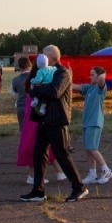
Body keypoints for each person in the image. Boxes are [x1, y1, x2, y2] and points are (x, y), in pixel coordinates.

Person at [21, 45, 87, 203]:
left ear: (52, 58)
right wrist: (36, 76)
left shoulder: (62, 72)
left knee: (61, 154)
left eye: (44, 54)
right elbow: (28, 87)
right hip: (43, 119)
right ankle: (38, 191)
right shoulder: (42, 71)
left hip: (56, 119)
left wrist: (36, 89)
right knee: (39, 155)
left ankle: (79, 187)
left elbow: (54, 92)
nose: (40, 57)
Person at [17, 55, 65, 185]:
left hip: (31, 118)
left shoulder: (30, 81)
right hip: (38, 118)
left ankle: (57, 172)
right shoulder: (42, 81)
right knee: (42, 147)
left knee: (41, 146)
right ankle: (36, 175)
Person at [74, 66, 112, 184]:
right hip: (87, 123)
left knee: (92, 148)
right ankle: (92, 174)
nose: (90, 77)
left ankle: (107, 170)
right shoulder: (89, 88)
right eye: (90, 74)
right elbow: (75, 86)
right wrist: (66, 78)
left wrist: (102, 74)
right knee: (88, 149)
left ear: (98, 76)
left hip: (94, 122)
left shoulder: (100, 89)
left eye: (92, 75)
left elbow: (102, 80)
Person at [12, 56, 32, 130]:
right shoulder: (35, 78)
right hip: (32, 106)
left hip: (21, 106)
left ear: (19, 66)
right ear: (29, 65)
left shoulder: (15, 80)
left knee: (23, 130)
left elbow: (15, 90)